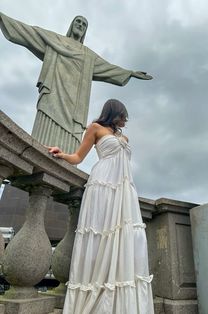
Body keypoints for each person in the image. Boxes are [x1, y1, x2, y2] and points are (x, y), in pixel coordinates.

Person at [48, 99, 154, 313]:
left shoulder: (124, 137)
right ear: (113, 113)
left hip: (124, 188)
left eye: (126, 118)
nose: (125, 121)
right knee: (100, 233)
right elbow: (78, 157)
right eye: (122, 116)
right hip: (103, 184)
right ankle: (96, 291)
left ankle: (116, 298)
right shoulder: (95, 128)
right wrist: (61, 154)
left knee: (124, 237)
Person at [0, 13, 152, 153]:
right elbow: (28, 32)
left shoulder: (88, 56)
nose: (80, 25)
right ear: (72, 25)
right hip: (52, 95)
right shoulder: (55, 40)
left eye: (84, 24)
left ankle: (64, 163)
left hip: (75, 107)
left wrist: (130, 73)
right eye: (78, 22)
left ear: (85, 31)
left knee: (69, 143)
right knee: (42, 139)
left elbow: (108, 68)